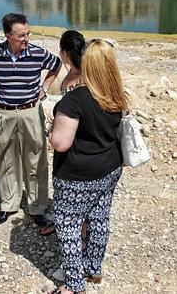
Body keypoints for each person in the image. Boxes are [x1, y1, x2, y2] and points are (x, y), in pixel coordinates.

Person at [48, 39, 129, 294]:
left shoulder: (74, 101)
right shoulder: (117, 95)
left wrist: (52, 125)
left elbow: (60, 143)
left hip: (78, 174)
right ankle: (93, 268)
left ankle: (74, 285)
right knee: (99, 218)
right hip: (110, 168)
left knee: (68, 224)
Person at [0, 13, 61, 225]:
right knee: (6, 158)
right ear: (8, 35)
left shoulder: (38, 53)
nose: (26, 38)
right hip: (3, 113)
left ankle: (37, 207)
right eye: (21, 35)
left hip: (30, 111)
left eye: (28, 33)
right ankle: (8, 204)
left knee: (36, 159)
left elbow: (56, 64)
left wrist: (44, 88)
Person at [39, 29, 87, 237]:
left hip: (78, 138)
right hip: (64, 130)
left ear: (66, 52)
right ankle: (61, 221)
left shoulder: (84, 76)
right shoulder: (71, 70)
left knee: (77, 186)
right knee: (60, 180)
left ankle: (79, 229)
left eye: (60, 49)